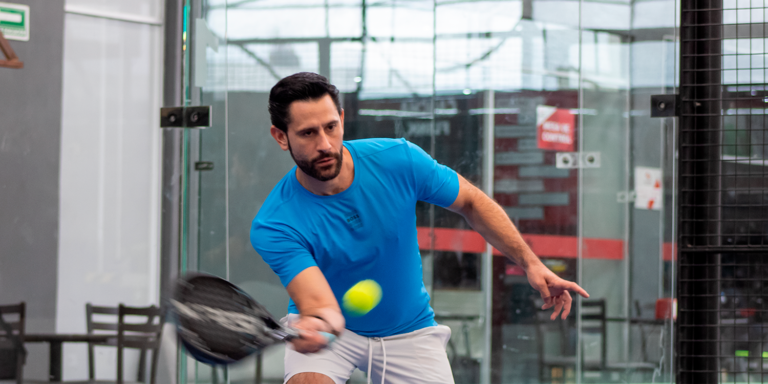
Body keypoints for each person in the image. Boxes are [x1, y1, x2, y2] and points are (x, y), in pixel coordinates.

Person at [250, 72, 589, 384]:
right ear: (281, 137)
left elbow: (470, 201)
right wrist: (320, 323)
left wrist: (530, 262)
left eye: (330, 127)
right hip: (329, 334)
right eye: (308, 133)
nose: (324, 144)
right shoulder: (276, 224)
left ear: (341, 118)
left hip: (409, 329)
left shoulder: (398, 160)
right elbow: (319, 304)